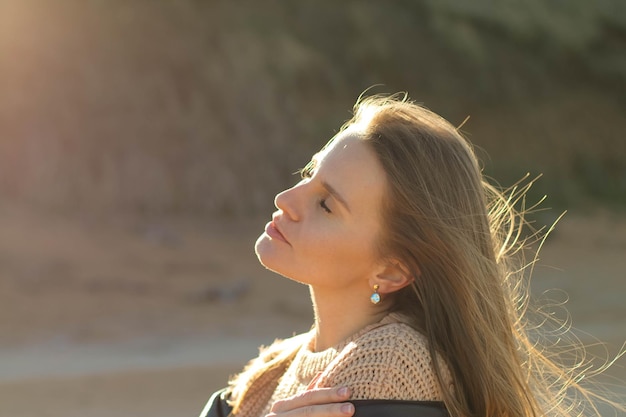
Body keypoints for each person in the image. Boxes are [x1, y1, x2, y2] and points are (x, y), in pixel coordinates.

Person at [200, 94, 621, 417]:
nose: (286, 198)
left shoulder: (391, 361)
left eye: (327, 205)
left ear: (392, 270)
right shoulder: (275, 368)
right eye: (311, 174)